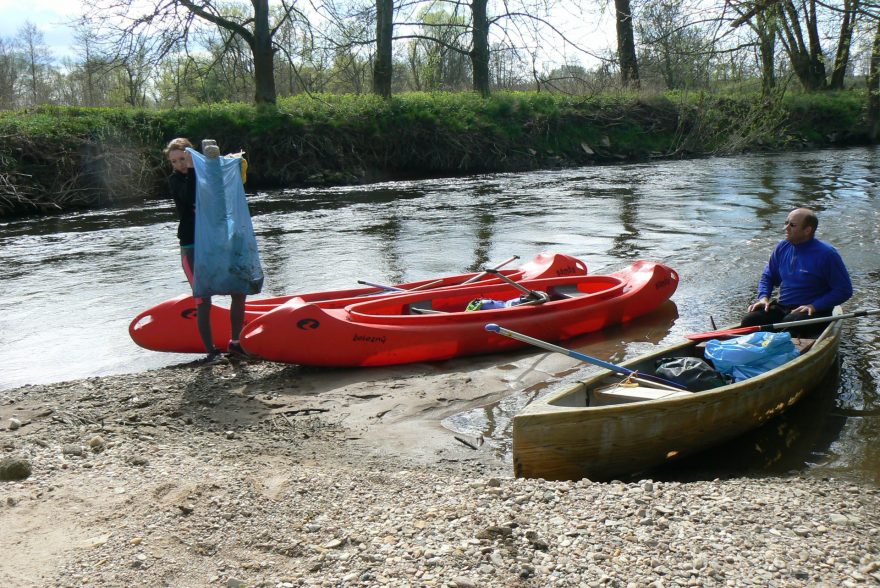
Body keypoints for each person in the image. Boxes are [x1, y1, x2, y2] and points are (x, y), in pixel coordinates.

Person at [165, 137, 248, 363]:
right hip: (191, 247)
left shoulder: (208, 175)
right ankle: (211, 351)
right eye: (174, 161)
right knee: (203, 299)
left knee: (239, 292)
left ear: (192, 156)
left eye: (183, 159)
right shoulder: (176, 180)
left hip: (216, 243)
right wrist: (193, 169)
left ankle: (236, 343)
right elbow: (191, 196)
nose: (179, 164)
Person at [741, 207, 852, 335]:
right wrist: (763, 298)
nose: (786, 228)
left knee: (790, 325)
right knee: (749, 320)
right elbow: (769, 276)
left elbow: (844, 290)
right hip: (783, 307)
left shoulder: (827, 254)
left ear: (807, 230)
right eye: (786, 223)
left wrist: (815, 306)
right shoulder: (782, 247)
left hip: (813, 311)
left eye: (792, 225)